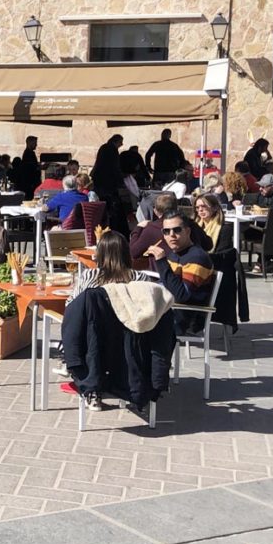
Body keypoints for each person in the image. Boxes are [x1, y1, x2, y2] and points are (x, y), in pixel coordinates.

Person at [60, 230, 162, 408]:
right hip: (130, 341)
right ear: (126, 253)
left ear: (100, 254)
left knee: (82, 329)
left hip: (96, 341)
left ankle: (92, 390)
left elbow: (72, 307)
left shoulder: (90, 276)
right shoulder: (141, 278)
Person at [145, 211, 215, 334]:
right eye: (166, 231)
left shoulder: (197, 258)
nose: (171, 235)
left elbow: (182, 295)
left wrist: (161, 262)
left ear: (187, 231)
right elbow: (168, 283)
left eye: (177, 230)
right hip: (169, 310)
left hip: (183, 317)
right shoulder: (175, 253)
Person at [92, 134, 127, 233]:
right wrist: (121, 181)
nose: (121, 144)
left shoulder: (103, 147)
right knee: (111, 207)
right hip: (108, 183)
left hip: (99, 180)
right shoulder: (113, 150)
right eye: (120, 142)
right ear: (116, 141)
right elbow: (115, 167)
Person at [19, 136, 41, 200]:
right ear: (30, 143)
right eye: (35, 143)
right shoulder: (29, 154)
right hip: (31, 183)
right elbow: (31, 168)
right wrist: (40, 167)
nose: (36, 145)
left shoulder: (28, 153)